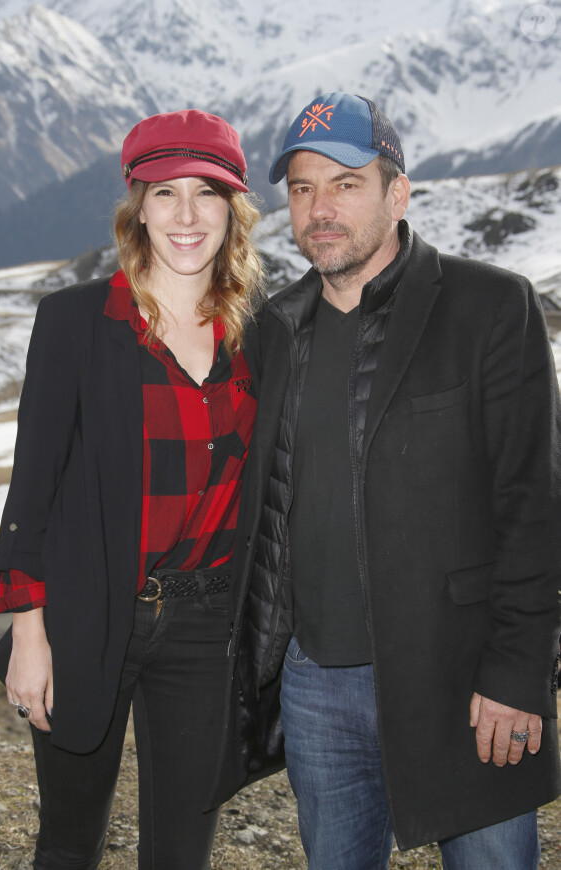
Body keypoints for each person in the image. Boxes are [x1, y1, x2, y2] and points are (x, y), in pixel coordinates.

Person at [209, 93, 561, 869]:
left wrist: (516, 672)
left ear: (397, 193)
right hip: (315, 688)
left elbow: (532, 508)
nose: (319, 209)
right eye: (302, 189)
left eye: (345, 183)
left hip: (463, 680)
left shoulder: (489, 307)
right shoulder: (277, 328)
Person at [0, 108, 265, 869]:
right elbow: (31, 491)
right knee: (69, 845)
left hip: (208, 628)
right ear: (136, 206)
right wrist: (30, 635)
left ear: (232, 209)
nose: (185, 215)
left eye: (206, 193)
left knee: (182, 853)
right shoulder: (75, 322)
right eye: (163, 192)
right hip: (88, 612)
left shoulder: (261, 334)